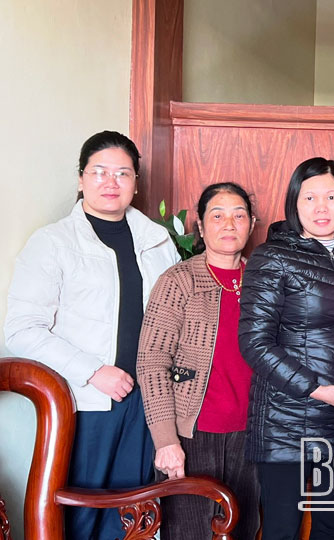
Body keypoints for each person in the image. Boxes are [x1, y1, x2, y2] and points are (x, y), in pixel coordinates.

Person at [4, 131, 179, 539]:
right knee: (81, 515)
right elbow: (22, 329)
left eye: (122, 173)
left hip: (148, 401)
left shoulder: (157, 241)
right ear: (81, 178)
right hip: (86, 402)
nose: (110, 182)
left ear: (136, 183)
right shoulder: (52, 242)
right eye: (99, 171)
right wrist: (93, 371)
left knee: (136, 515)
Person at [238, 157, 334, 540]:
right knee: (282, 529)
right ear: (294, 204)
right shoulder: (272, 257)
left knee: (332, 528)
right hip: (286, 422)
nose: (321, 207)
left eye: (331, 196)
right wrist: (316, 389)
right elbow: (254, 343)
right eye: (310, 197)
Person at [137, 182, 260, 538]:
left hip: (250, 436)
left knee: (245, 530)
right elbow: (151, 361)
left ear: (252, 224)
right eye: (217, 216)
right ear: (201, 227)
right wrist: (166, 441)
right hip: (191, 435)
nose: (229, 224)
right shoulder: (178, 281)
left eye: (239, 216)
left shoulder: (262, 281)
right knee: (189, 533)